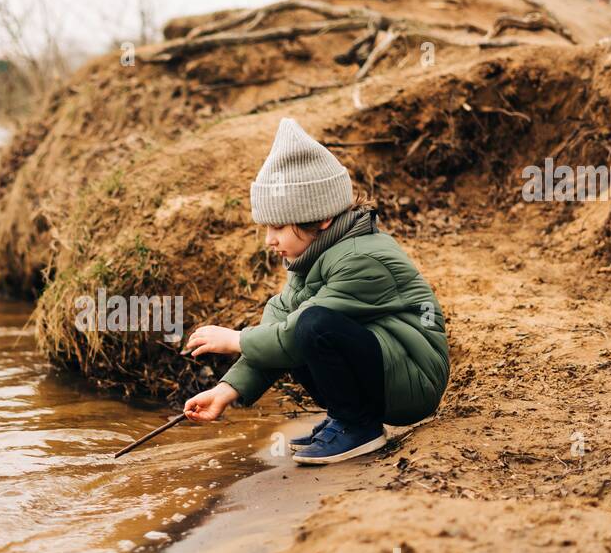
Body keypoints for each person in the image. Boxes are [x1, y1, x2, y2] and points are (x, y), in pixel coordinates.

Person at [182, 117, 449, 465]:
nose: (269, 239)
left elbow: (295, 333)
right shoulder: (311, 256)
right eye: (265, 227)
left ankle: (358, 425)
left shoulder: (361, 258)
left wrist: (236, 339)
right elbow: (276, 327)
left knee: (311, 325)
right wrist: (225, 391)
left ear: (320, 219)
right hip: (383, 366)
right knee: (295, 323)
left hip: (414, 380)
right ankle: (345, 415)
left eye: (277, 226)